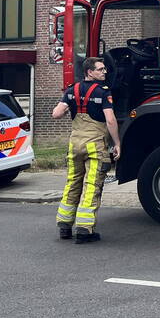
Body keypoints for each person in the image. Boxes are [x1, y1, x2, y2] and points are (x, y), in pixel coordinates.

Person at [52, 57, 122, 244]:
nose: (104, 72)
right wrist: (117, 143)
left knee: (72, 183)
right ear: (89, 72)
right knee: (91, 186)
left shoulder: (71, 90)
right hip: (94, 146)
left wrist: (69, 106)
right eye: (100, 69)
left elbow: (56, 114)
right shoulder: (103, 92)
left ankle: (64, 226)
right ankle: (84, 229)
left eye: (104, 69)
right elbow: (110, 120)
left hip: (75, 145)